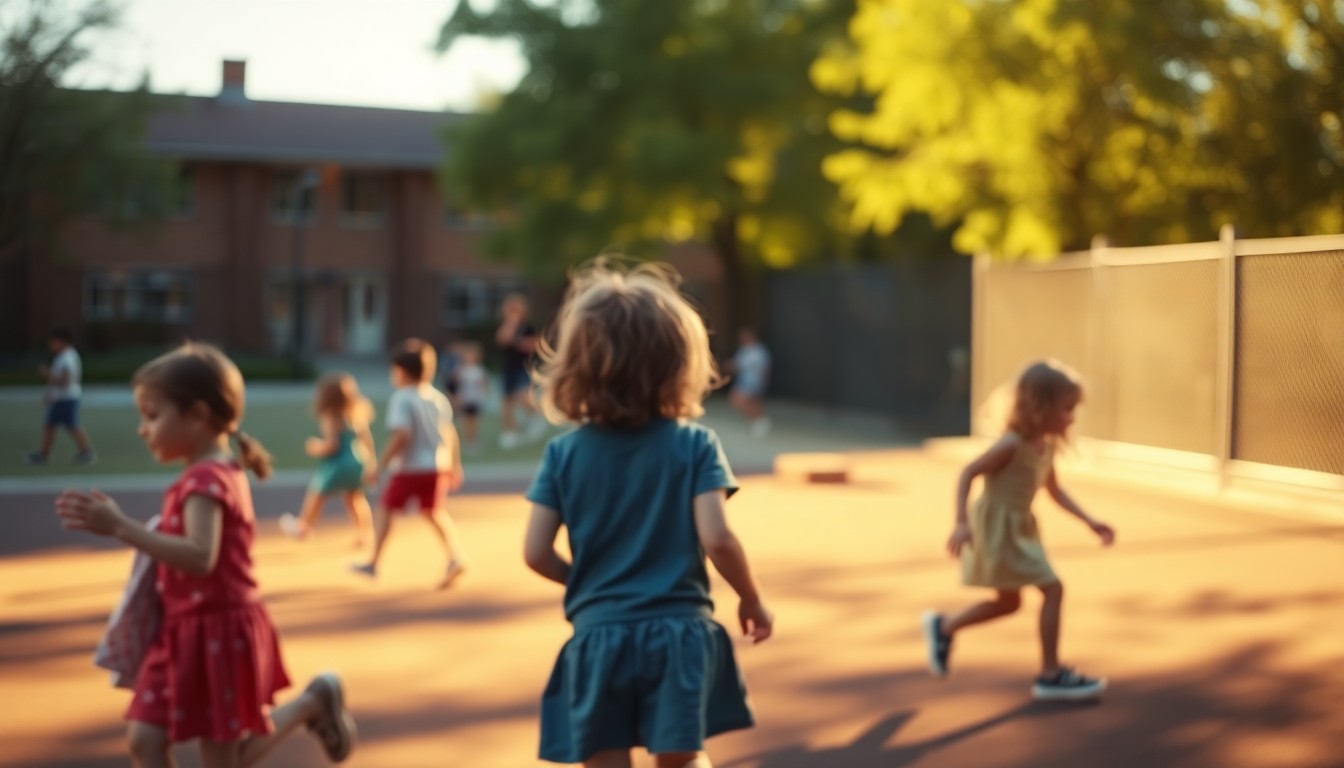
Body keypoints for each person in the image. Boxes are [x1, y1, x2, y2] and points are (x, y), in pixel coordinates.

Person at [54, 342, 356, 767]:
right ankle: (313, 701)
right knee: (145, 738)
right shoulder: (204, 474)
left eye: (153, 415)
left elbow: (200, 556)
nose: (143, 429)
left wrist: (122, 527)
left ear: (197, 416)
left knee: (222, 759)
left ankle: (310, 704)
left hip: (218, 631)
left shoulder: (208, 479)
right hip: (182, 631)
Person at [523, 260, 773, 768]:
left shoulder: (563, 455)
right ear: (679, 362)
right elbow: (718, 539)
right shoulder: (695, 445)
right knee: (682, 758)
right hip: (678, 633)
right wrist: (751, 598)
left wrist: (588, 583)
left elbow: (534, 552)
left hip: (598, 635)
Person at [922, 359, 1116, 701]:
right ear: (1041, 407)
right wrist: (961, 523)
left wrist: (1090, 521)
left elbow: (1054, 490)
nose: (1072, 417)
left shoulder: (1047, 445)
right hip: (997, 528)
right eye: (1067, 408)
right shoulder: (1011, 444)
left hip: (1020, 528)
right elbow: (968, 472)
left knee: (1008, 603)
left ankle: (944, 627)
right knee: (1053, 590)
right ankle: (1050, 674)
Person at [351, 339, 468, 589]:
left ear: (401, 371)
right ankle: (455, 556)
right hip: (436, 466)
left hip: (409, 468)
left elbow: (402, 435)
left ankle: (373, 562)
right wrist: (455, 464)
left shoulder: (402, 398)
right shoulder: (437, 398)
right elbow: (449, 433)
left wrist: (380, 465)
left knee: (385, 509)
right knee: (434, 512)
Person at [278, 373, 376, 546]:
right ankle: (365, 533)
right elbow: (367, 440)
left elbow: (332, 445)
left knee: (316, 493)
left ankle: (303, 526)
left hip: (339, 463)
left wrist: (315, 447)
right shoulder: (355, 413)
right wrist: (371, 462)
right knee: (355, 498)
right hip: (357, 461)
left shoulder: (330, 416)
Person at [27, 326, 96, 465]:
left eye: (53, 341)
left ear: (62, 341)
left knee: (72, 425)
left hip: (67, 398)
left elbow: (65, 380)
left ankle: (86, 452)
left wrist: (47, 374)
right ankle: (44, 454)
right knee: (51, 425)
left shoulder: (67, 358)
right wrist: (49, 393)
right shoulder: (63, 357)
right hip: (61, 398)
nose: (51, 345)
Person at [495, 293, 545, 449]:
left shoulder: (527, 327)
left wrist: (518, 342)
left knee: (524, 396)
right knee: (507, 402)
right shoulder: (506, 325)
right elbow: (502, 339)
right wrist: (511, 325)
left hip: (523, 366)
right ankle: (510, 433)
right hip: (508, 367)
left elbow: (534, 344)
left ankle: (536, 416)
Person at [728, 328, 771, 439]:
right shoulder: (743, 350)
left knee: (738, 400)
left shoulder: (759, 351)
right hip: (744, 380)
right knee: (749, 402)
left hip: (753, 382)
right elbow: (737, 365)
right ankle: (756, 422)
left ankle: (759, 421)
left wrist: (762, 383)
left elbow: (765, 368)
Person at [454, 341, 488, 450]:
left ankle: (474, 440)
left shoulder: (478, 370)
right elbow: (454, 383)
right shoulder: (461, 370)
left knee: (474, 420)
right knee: (466, 421)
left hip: (475, 399)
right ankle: (467, 440)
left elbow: (484, 383)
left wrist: (482, 393)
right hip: (465, 399)